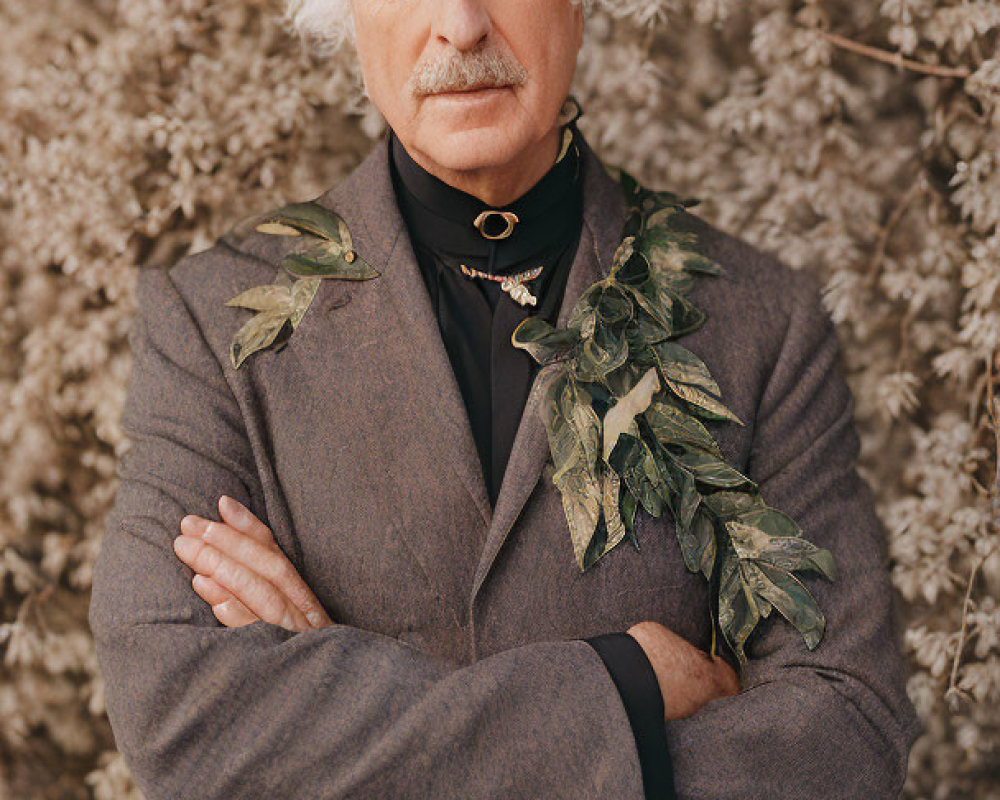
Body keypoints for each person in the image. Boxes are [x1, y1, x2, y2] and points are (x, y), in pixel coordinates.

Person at [88, 1, 923, 798]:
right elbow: (181, 716)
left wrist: (338, 729)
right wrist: (625, 685)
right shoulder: (206, 322)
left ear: (580, 5)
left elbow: (847, 736)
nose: (460, 25)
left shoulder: (763, 324)